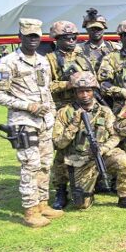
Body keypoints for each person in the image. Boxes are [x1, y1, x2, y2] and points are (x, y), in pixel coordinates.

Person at [0, 18, 63, 227]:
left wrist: (52, 113)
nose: (33, 40)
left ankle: (42, 204)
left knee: (45, 164)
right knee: (30, 165)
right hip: (23, 122)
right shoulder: (9, 62)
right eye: (28, 36)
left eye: (36, 37)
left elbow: (46, 91)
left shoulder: (42, 61)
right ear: (20, 37)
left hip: (44, 122)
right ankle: (30, 211)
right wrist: (26, 105)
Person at [52, 71, 126, 210]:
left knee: (122, 160)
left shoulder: (104, 111)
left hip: (100, 154)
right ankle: (63, 192)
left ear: (94, 91)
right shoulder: (65, 112)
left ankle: (125, 196)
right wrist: (74, 125)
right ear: (75, 93)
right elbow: (58, 143)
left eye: (88, 91)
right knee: (82, 205)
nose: (85, 95)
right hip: (78, 159)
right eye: (81, 91)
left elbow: (115, 136)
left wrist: (104, 148)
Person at [45, 20, 95, 210]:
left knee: (87, 142)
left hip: (85, 104)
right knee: (62, 150)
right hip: (62, 109)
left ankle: (90, 181)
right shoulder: (49, 59)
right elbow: (45, 86)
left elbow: (93, 79)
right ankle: (60, 190)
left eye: (74, 37)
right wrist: (68, 84)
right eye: (67, 38)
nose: (72, 40)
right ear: (57, 39)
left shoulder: (83, 57)